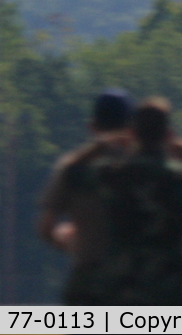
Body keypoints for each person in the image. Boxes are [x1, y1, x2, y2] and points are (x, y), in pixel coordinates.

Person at [44, 97, 182, 304]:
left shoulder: (113, 175)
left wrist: (101, 146)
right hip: (169, 292)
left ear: (132, 134)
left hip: (119, 291)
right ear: (168, 135)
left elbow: (70, 173)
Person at [37, 89, 134, 267]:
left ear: (93, 126)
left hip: (90, 283)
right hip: (137, 284)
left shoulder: (73, 168)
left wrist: (72, 242)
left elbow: (46, 229)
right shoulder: (146, 170)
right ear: (131, 129)